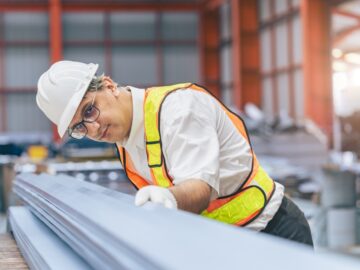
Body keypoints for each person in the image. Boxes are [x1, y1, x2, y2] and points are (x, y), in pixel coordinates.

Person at [36, 60, 313, 246]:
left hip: (274, 235)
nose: (93, 129)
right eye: (80, 127)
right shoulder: (124, 140)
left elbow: (199, 189)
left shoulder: (178, 109)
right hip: (228, 243)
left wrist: (166, 198)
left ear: (109, 85)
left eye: (89, 110)